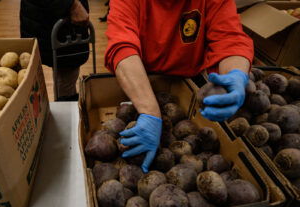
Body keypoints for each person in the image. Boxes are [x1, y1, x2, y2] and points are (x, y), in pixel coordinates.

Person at [105, 0, 253, 173]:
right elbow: (122, 46)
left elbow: (229, 39)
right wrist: (149, 111)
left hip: (188, 85)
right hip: (137, 82)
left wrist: (235, 75)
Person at [20, 0, 89, 101]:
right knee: (65, 77)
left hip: (50, 18)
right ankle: (65, 109)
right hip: (57, 19)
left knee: (65, 76)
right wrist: (72, 5)